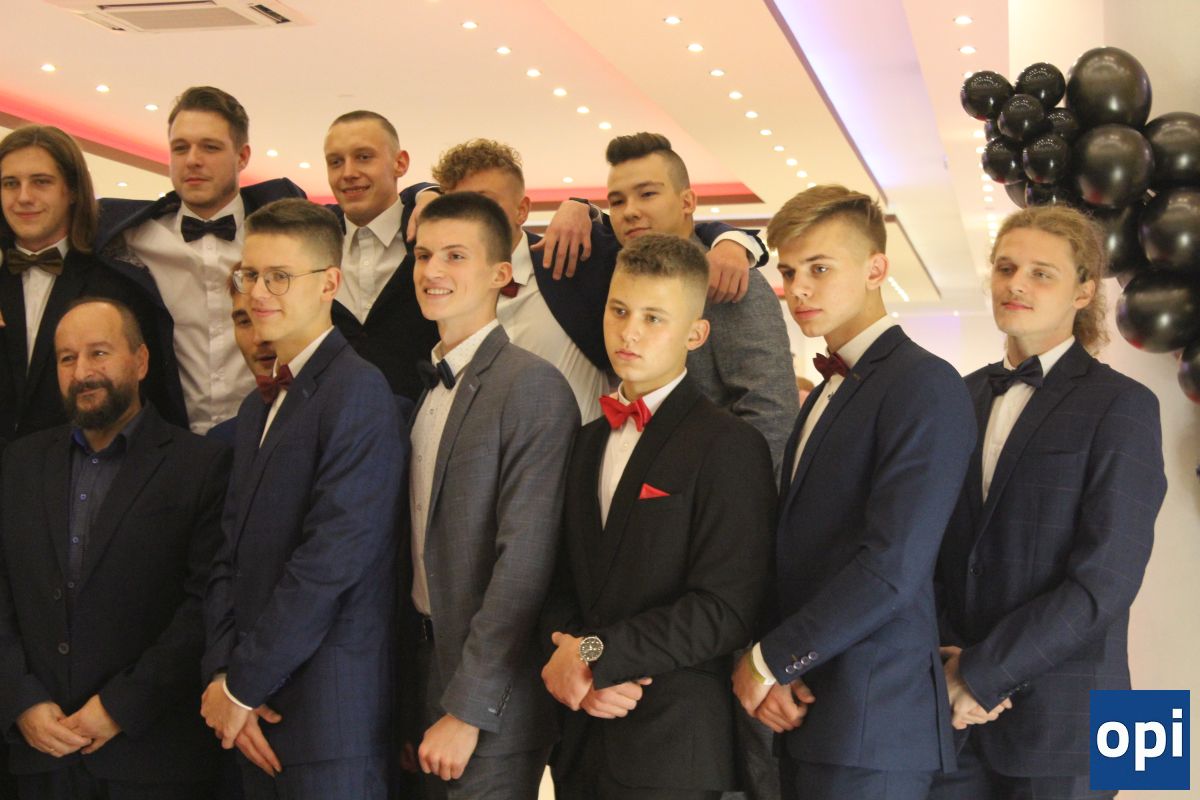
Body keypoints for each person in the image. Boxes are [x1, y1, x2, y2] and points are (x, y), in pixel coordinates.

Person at [731, 185, 975, 800]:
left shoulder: (925, 384)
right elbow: (798, 550)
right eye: (790, 272)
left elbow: (894, 567)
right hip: (812, 712)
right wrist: (780, 668)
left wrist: (771, 660)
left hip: (875, 722)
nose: (799, 289)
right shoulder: (826, 389)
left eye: (820, 268)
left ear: (875, 268)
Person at [931, 205, 1167, 800]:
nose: (1016, 284)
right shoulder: (953, 396)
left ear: (1083, 291)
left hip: (1077, 723)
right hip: (950, 717)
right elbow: (926, 548)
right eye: (1006, 268)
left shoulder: (1127, 404)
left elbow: (1106, 581)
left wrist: (979, 674)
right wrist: (944, 667)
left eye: (1042, 273)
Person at [541, 233, 775, 799]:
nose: (629, 332)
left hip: (673, 748)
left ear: (696, 334)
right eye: (619, 311)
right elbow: (562, 578)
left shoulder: (729, 444)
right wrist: (567, 656)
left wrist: (596, 656)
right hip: (580, 743)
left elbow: (726, 608)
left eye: (653, 318)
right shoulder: (585, 441)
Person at [200, 199, 405, 799]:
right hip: (248, 709)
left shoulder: (359, 391)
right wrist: (221, 674)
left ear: (329, 284)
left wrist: (243, 686)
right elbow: (228, 555)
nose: (259, 292)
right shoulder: (255, 406)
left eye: (279, 277)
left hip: (326, 718)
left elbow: (329, 563)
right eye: (251, 275)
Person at [0, 298, 230, 799]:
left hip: (153, 759)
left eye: (99, 353)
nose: (82, 372)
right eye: (67, 358)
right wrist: (19, 699)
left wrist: (119, 707)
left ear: (141, 361)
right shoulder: (18, 465)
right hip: (40, 756)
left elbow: (204, 607)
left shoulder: (201, 466)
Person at [406, 192, 578, 797]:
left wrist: (469, 708)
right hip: (422, 673)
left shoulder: (532, 386)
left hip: (491, 697)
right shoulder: (427, 388)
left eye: (455, 256)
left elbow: (523, 565)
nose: (432, 270)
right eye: (423, 255)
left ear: (501, 274)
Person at [433, 138, 766, 423]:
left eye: (484, 202)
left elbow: (668, 242)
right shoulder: (434, 283)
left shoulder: (574, 257)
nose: (469, 217)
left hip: (594, 457)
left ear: (522, 210)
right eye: (456, 205)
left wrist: (733, 240)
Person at [96, 86, 305, 434]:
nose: (192, 159)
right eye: (181, 148)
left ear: (242, 156)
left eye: (210, 147)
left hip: (273, 433)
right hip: (173, 441)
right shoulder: (131, 237)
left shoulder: (285, 231)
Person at [594, 132, 796, 471]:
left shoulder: (726, 277)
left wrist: (738, 492)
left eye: (647, 194)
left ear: (687, 202)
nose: (629, 211)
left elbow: (771, 409)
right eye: (616, 201)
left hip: (710, 483)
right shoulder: (617, 271)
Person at [0, 125, 185, 439]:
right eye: (10, 184)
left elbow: (146, 393)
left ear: (72, 190)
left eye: (41, 182)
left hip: (81, 461)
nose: (24, 197)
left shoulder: (117, 284)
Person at [323, 110, 439, 402]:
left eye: (364, 157)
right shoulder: (314, 236)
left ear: (400, 163)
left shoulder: (433, 233)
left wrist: (429, 191)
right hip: (335, 419)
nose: (348, 172)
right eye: (335, 162)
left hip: (428, 417)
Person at [207, 270, 278, 445]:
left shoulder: (340, 409)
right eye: (245, 322)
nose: (258, 338)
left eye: (271, 315)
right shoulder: (223, 441)